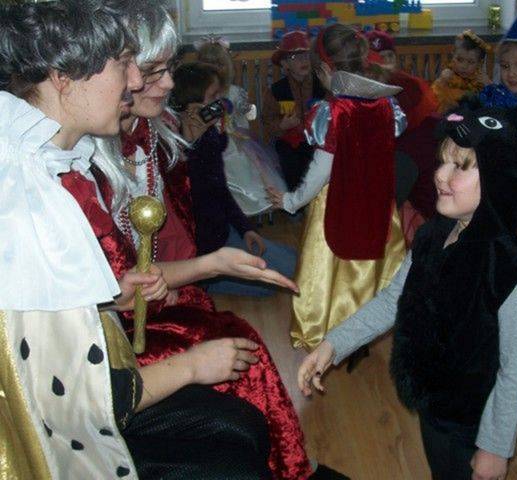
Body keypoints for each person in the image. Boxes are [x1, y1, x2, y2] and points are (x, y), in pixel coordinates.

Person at [0, 1, 272, 478]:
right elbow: (70, 406)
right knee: (234, 459)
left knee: (243, 427)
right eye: (123, 64)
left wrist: (108, 300)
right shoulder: (27, 199)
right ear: (63, 77)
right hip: (63, 441)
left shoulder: (53, 162)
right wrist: (191, 367)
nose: (133, 83)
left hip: (102, 386)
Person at [59, 7, 325, 479]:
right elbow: (117, 291)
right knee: (243, 359)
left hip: (171, 287)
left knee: (252, 335)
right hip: (116, 339)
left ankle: (289, 465)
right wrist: (210, 265)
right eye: (151, 70)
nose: (164, 83)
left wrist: (216, 257)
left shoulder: (150, 134)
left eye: (167, 70)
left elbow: (198, 207)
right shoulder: (79, 167)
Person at [298, 100, 517, 480]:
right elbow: (393, 301)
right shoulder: (433, 234)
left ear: (499, 179)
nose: (440, 176)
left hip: (473, 421)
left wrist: (495, 447)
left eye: (460, 167)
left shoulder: (513, 276)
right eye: (442, 161)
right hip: (433, 402)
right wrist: (333, 344)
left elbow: (514, 371)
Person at [267, 24, 407, 350]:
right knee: (369, 269)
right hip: (377, 201)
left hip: (337, 202)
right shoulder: (386, 106)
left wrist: (291, 200)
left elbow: (321, 171)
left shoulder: (333, 113)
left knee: (328, 270)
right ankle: (366, 326)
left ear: (325, 70)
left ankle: (326, 331)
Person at [171, 61, 298, 297]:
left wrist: (245, 229)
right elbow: (187, 210)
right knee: (268, 286)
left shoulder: (210, 138)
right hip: (201, 250)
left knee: (294, 263)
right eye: (213, 97)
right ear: (191, 108)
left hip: (224, 233)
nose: (220, 103)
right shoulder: (174, 152)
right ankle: (206, 282)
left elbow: (221, 190)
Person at [196, 37, 287, 216]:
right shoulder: (198, 94)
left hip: (232, 139)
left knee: (242, 164)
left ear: (226, 67)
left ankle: (245, 207)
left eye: (219, 65)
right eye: (208, 66)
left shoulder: (234, 92)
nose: (214, 70)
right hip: (207, 140)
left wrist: (246, 113)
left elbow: (246, 117)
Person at [366, 30, 441, 229]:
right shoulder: (404, 89)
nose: (384, 64)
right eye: (377, 59)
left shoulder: (406, 90)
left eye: (388, 57)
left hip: (429, 216)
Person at [262, 31, 325, 191]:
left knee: (321, 165)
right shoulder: (277, 90)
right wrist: (282, 125)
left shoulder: (322, 85)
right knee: (290, 162)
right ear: (285, 64)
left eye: (305, 55)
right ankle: (296, 199)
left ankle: (318, 198)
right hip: (291, 142)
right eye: (295, 57)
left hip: (318, 140)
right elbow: (268, 120)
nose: (303, 60)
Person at [432, 29, 492, 113]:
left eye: (471, 62)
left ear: (479, 63)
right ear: (453, 56)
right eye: (459, 59)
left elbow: (492, 104)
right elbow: (434, 97)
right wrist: (441, 81)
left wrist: (489, 85)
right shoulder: (448, 76)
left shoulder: (480, 80)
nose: (464, 66)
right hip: (449, 115)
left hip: (473, 117)